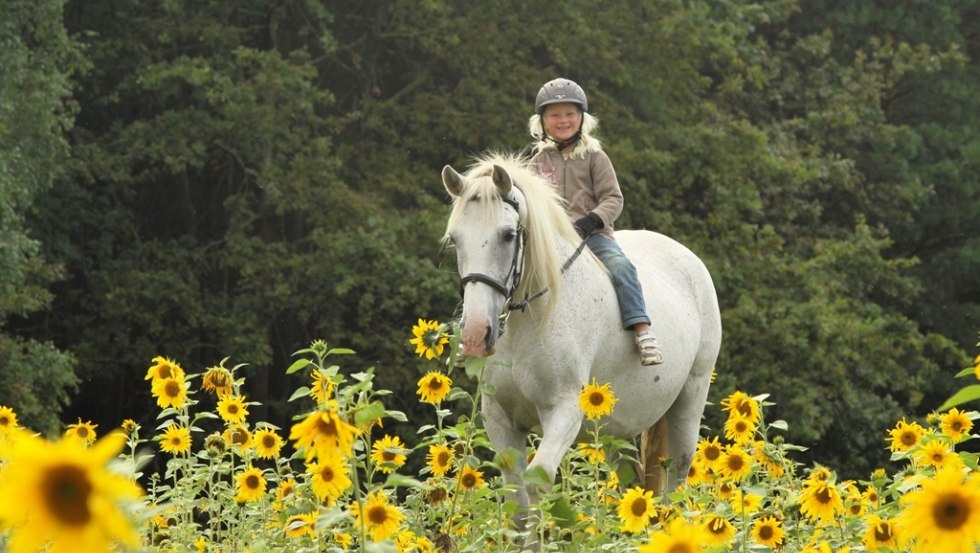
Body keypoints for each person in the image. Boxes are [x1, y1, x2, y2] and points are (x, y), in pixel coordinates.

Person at [527, 78, 664, 366]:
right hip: (550, 241)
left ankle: (642, 329)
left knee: (621, 267)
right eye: (555, 114)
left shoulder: (594, 157)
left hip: (592, 237)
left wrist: (591, 222)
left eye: (569, 114)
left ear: (581, 118)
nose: (563, 120)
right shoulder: (537, 163)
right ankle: (485, 332)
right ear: (542, 121)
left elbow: (614, 199)